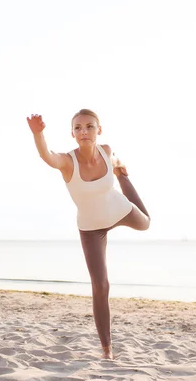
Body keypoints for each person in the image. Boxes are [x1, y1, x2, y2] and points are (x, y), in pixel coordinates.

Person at [26, 109, 150, 359]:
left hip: (118, 209)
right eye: (79, 127)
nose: (84, 131)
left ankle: (123, 178)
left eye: (90, 126)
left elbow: (113, 158)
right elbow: (47, 156)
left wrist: (117, 169)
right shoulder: (67, 161)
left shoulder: (106, 150)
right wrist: (39, 134)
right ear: (72, 133)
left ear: (99, 130)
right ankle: (107, 350)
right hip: (91, 228)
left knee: (145, 223)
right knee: (101, 285)